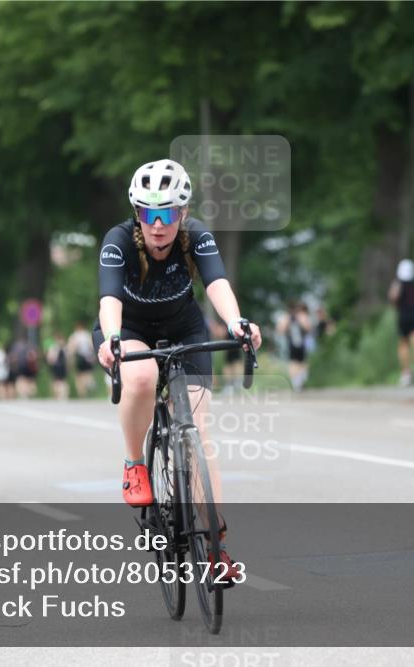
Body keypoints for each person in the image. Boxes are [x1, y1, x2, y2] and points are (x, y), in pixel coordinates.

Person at [92, 158, 262, 580]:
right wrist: (112, 338)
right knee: (143, 376)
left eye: (167, 213)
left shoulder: (195, 236)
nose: (157, 224)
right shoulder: (118, 241)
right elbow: (109, 299)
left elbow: (217, 283)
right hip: (128, 328)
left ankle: (216, 550)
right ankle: (135, 463)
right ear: (138, 214)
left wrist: (237, 323)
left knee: (200, 435)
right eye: (148, 214)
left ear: (182, 213)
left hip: (184, 328)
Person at [388, 259, 414, 386]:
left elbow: (393, 298)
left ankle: (406, 373)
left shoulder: (398, 283)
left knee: (403, 344)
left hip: (404, 316)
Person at [276, 302, 313, 391]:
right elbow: (280, 330)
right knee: (293, 363)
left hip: (302, 344)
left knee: (303, 362)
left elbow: (309, 328)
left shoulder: (303, 317)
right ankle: (296, 383)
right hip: (291, 344)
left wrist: (301, 319)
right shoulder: (287, 318)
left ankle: (301, 380)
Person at [67, 321, 96, 398]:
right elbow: (92, 346)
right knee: (87, 373)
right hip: (88, 357)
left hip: (79, 357)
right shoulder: (87, 335)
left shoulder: (74, 336)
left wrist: (70, 358)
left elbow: (71, 348)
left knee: (79, 376)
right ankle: (89, 384)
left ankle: (82, 393)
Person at [46, 333, 69, 400]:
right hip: (63, 366)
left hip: (55, 366)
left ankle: (58, 395)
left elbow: (50, 359)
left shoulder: (53, 347)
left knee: (56, 381)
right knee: (63, 381)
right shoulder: (65, 348)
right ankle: (63, 395)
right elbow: (68, 358)